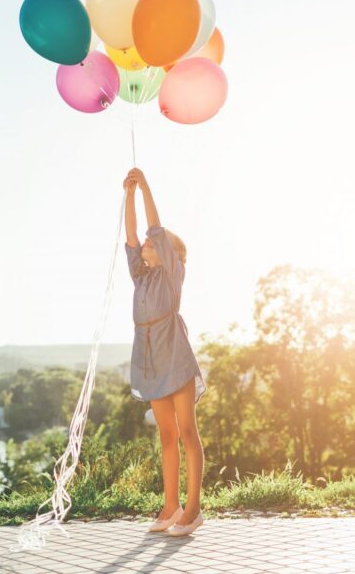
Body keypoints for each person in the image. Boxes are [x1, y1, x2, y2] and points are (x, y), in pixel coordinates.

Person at [122, 167, 207, 537]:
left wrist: (146, 188)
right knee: (166, 435)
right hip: (149, 357)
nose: (146, 243)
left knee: (187, 429)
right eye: (148, 244)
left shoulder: (172, 273)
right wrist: (127, 194)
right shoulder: (141, 275)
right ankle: (170, 505)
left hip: (174, 351)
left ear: (168, 252)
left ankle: (193, 508)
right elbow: (131, 236)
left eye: (153, 243)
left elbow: (154, 226)